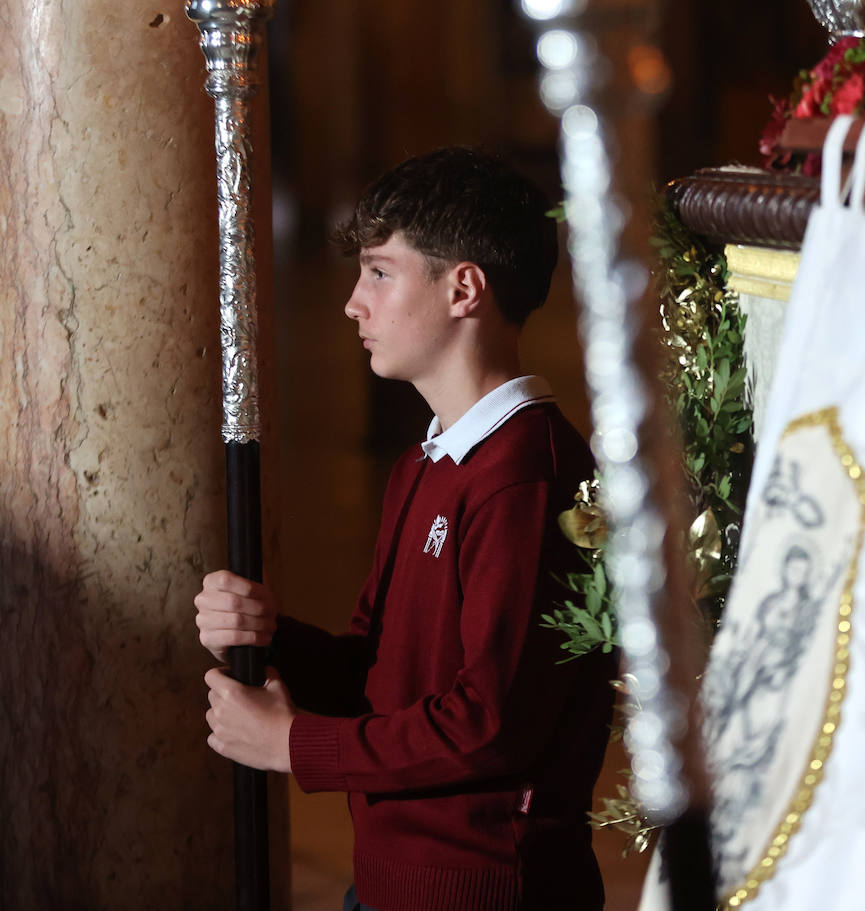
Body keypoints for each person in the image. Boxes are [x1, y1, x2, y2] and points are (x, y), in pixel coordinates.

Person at [194, 147, 615, 911]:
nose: (354, 302)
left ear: (463, 288)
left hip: (486, 890)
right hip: (392, 880)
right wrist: (269, 633)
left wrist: (293, 745)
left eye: (379, 272)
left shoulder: (528, 474)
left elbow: (490, 723)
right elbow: (377, 674)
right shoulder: (427, 461)